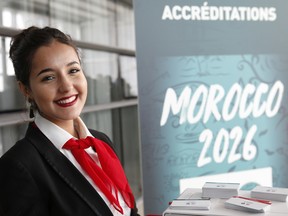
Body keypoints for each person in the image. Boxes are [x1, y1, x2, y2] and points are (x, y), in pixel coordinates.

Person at [0, 26, 139, 216]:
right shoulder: (18, 166)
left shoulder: (101, 142)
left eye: (73, 70)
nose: (66, 86)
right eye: (48, 77)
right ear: (26, 89)